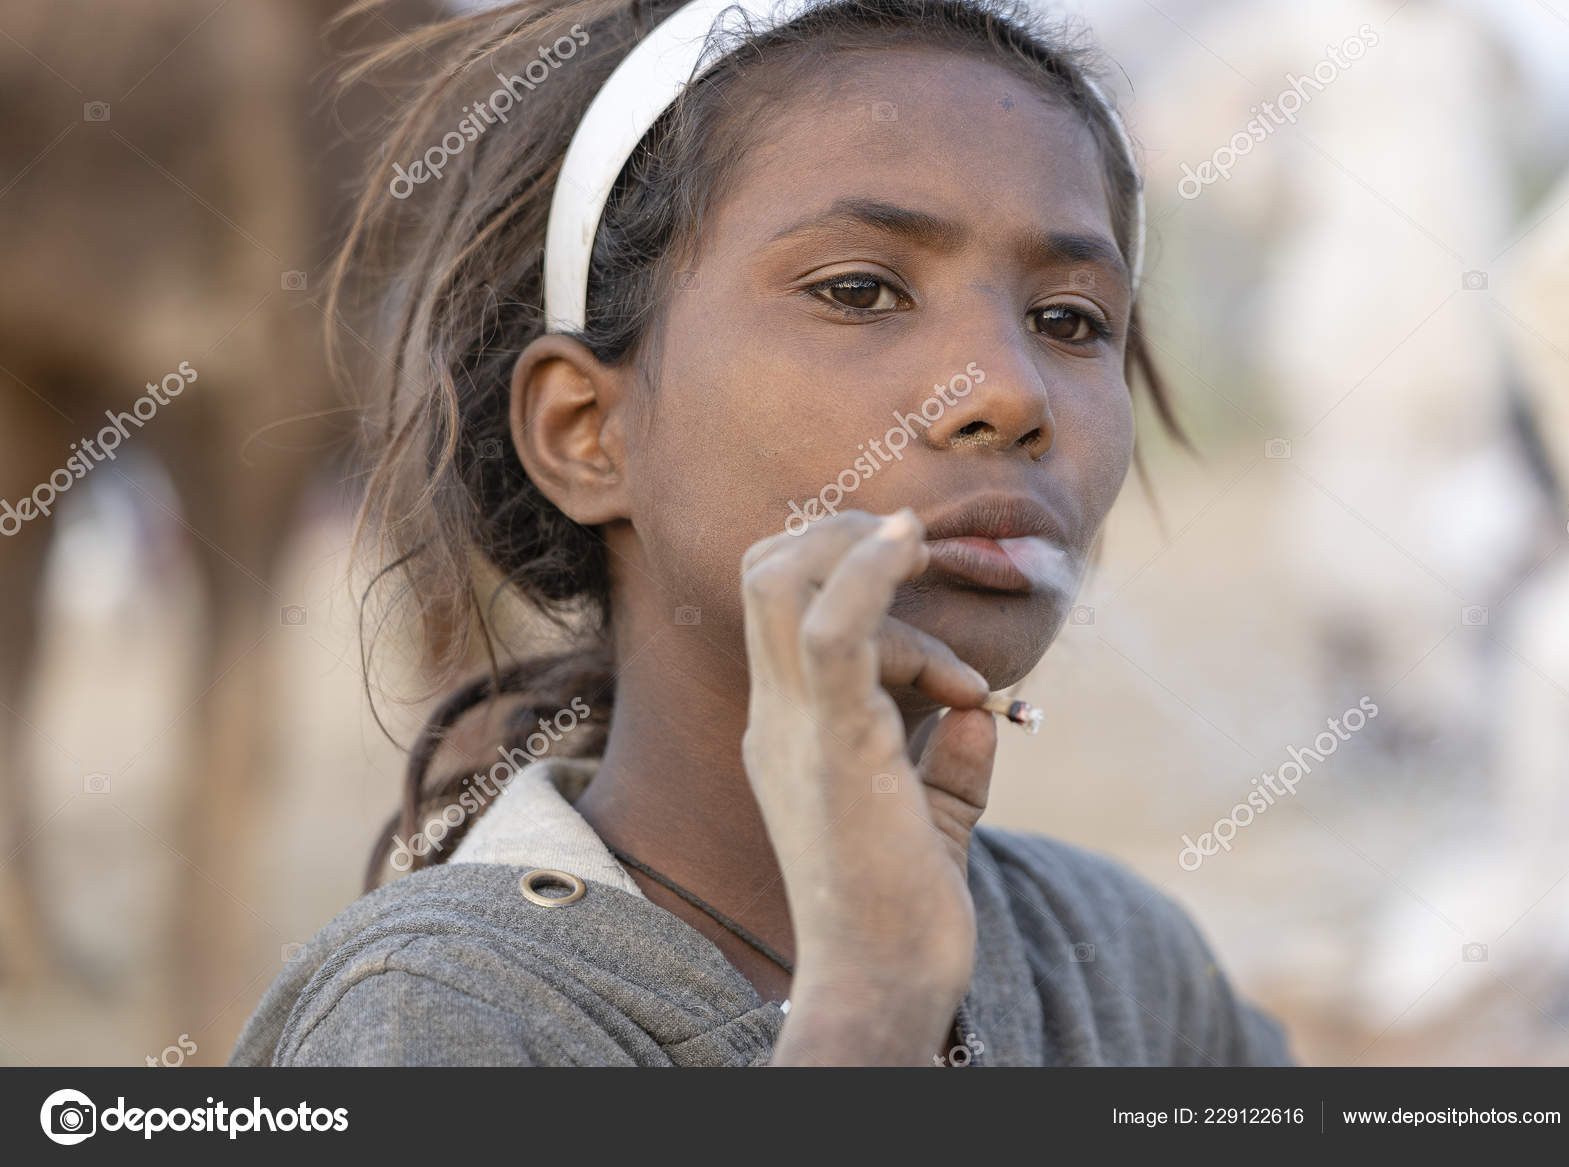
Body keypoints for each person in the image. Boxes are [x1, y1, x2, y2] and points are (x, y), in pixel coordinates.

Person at [230, 0, 1293, 1067]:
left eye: (1068, 319)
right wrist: (872, 1012)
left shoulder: (1117, 964)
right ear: (585, 432)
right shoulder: (437, 1017)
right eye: (861, 290)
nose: (1007, 395)